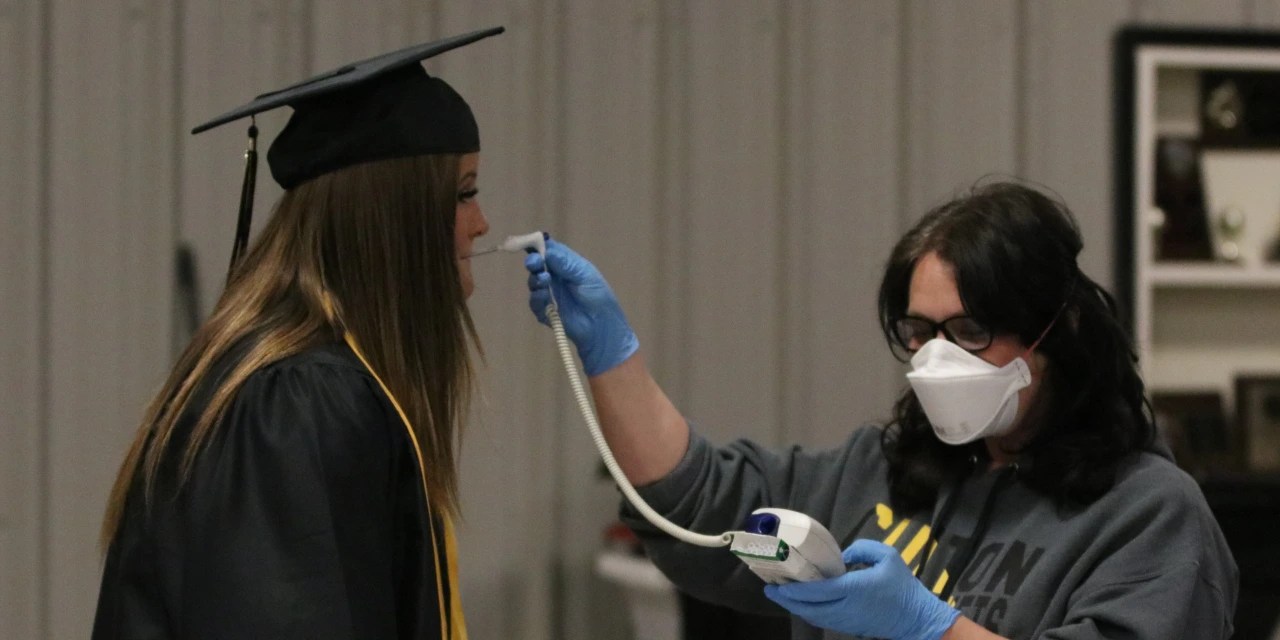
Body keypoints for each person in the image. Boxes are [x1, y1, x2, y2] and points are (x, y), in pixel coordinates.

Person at [524, 181, 1239, 639]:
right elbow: (695, 504)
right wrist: (611, 358)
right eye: (920, 332)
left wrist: (931, 628)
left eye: (968, 332)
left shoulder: (1149, 515)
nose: (936, 359)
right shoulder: (883, 471)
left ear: (1059, 333)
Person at [93, 27, 504, 640]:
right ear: (394, 217)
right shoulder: (296, 405)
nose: (481, 223)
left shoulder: (328, 385)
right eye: (463, 193)